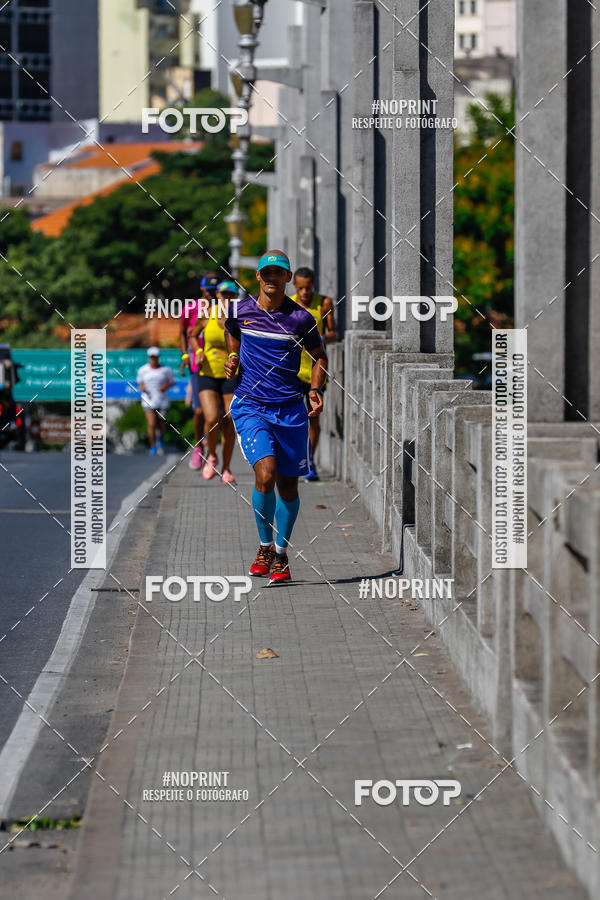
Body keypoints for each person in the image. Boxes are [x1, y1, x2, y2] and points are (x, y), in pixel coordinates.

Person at [224, 250, 327, 584]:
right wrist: (233, 355)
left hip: (290, 410)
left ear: (288, 278)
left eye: (278, 273)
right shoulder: (241, 311)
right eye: (266, 273)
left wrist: (315, 388)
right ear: (258, 277)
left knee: (288, 486)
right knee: (265, 473)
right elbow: (231, 330)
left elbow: (320, 356)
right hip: (251, 405)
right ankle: (264, 546)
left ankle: (281, 554)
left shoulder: (300, 318)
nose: (271, 278)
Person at [189, 280, 239, 484]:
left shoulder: (239, 316)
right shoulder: (207, 313)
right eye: (223, 294)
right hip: (208, 373)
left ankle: (226, 467)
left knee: (230, 419)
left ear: (235, 296)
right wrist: (198, 351)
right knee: (211, 419)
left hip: (230, 375)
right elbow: (191, 335)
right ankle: (212, 455)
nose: (226, 298)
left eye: (230, 294)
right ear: (217, 295)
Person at [291, 267, 337, 481]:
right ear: (294, 286)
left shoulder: (324, 303)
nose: (304, 293)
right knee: (291, 418)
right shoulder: (287, 304)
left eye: (308, 288)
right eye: (300, 288)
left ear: (314, 285)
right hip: (291, 371)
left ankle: (309, 461)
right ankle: (293, 459)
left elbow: (333, 333)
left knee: (313, 419)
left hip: (316, 371)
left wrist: (318, 339)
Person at [179, 274, 220, 469]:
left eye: (215, 291)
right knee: (198, 410)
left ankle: (211, 446)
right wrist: (185, 356)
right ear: (202, 290)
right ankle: (198, 446)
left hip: (219, 365)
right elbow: (182, 332)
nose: (211, 294)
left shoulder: (224, 309)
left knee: (217, 413)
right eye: (208, 291)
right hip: (199, 364)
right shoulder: (191, 308)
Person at [137, 347, 175, 455]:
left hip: (162, 401)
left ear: (158, 357)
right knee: (152, 423)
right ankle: (153, 446)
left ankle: (160, 438)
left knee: (161, 423)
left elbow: (172, 381)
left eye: (155, 357)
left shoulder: (166, 370)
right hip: (148, 400)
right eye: (151, 357)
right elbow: (140, 383)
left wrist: (165, 386)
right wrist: (142, 388)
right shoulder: (143, 370)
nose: (153, 359)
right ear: (149, 358)